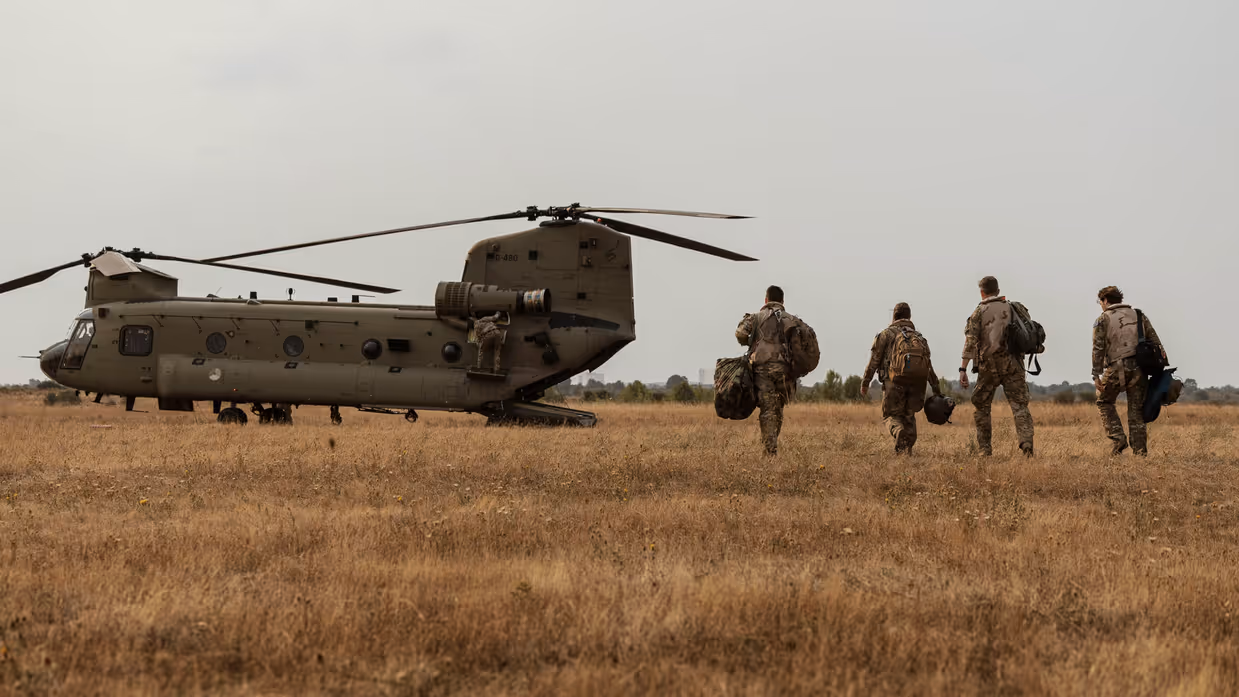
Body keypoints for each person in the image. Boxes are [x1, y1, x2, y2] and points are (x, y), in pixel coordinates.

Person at [959, 276, 1035, 456]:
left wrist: (963, 369)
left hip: (988, 366)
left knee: (982, 406)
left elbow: (970, 342)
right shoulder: (1014, 308)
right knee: (1020, 406)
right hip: (1014, 364)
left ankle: (985, 450)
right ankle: (1027, 444)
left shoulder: (979, 312)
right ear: (998, 291)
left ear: (981, 292)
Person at [1092, 286, 1166, 455]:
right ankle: (1140, 452)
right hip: (1140, 370)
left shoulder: (1103, 319)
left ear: (1105, 300)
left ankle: (1118, 439)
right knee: (1136, 411)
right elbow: (1156, 342)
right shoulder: (1139, 315)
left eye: (1100, 302)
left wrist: (1095, 374)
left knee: (1104, 401)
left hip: (1116, 368)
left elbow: (1097, 349)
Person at [861, 303, 943, 454]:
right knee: (909, 415)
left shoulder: (886, 335)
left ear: (894, 316)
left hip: (894, 382)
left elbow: (874, 361)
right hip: (917, 384)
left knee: (891, 416)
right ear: (909, 317)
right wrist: (936, 388)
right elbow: (928, 366)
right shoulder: (919, 338)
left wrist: (865, 382)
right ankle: (906, 453)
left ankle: (898, 432)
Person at [735, 285, 794, 456]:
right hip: (785, 371)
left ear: (766, 300)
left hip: (763, 370)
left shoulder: (756, 318)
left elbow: (740, 333)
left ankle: (770, 450)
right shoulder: (791, 320)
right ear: (782, 301)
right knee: (778, 409)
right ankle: (772, 442)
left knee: (768, 409)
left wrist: (752, 341)